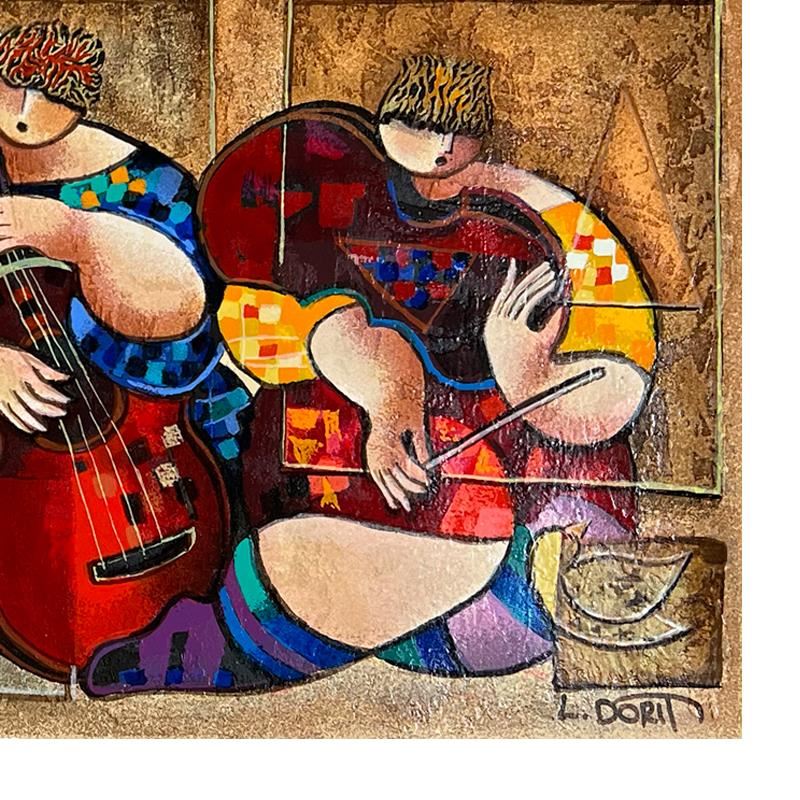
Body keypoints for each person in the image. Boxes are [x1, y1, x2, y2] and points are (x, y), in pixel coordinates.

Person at [83, 56, 657, 695]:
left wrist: (528, 376)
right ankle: (219, 641)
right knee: (302, 556)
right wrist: (382, 386)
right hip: (338, 496)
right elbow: (254, 319)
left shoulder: (551, 220)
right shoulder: (319, 185)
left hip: (529, 536)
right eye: (416, 125)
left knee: (532, 560)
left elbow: (622, 377)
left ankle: (233, 643)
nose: (437, 152)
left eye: (456, 132)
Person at [0, 21, 251, 482]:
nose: (26, 110)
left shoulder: (153, 185)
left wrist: (76, 234)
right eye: (15, 85)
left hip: (162, 435)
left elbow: (184, 333)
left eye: (51, 92)